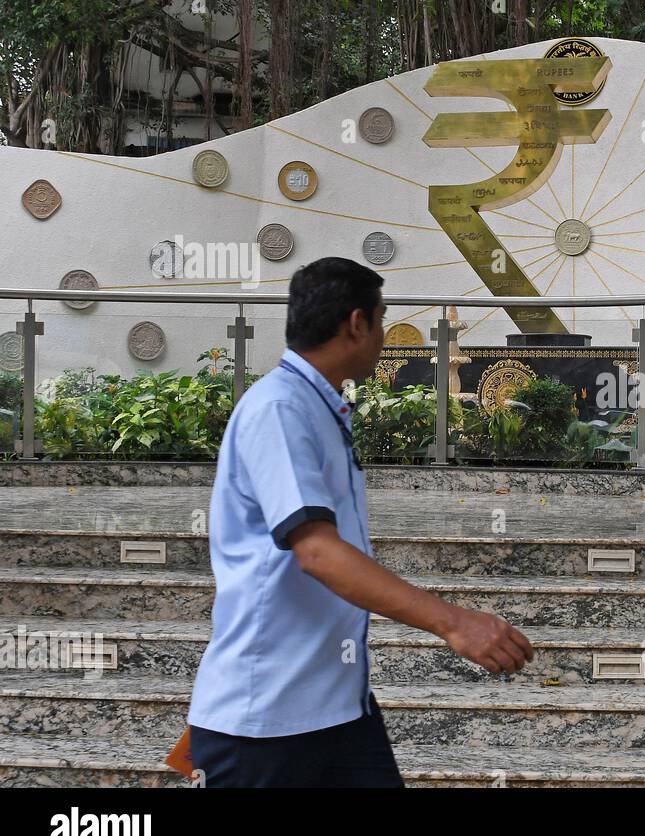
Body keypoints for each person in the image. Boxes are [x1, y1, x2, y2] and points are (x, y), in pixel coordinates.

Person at [186, 256, 534, 787]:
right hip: (266, 721)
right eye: (383, 319)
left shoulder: (315, 406)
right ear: (356, 323)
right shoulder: (280, 409)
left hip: (338, 708)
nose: (385, 338)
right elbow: (317, 552)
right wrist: (454, 622)